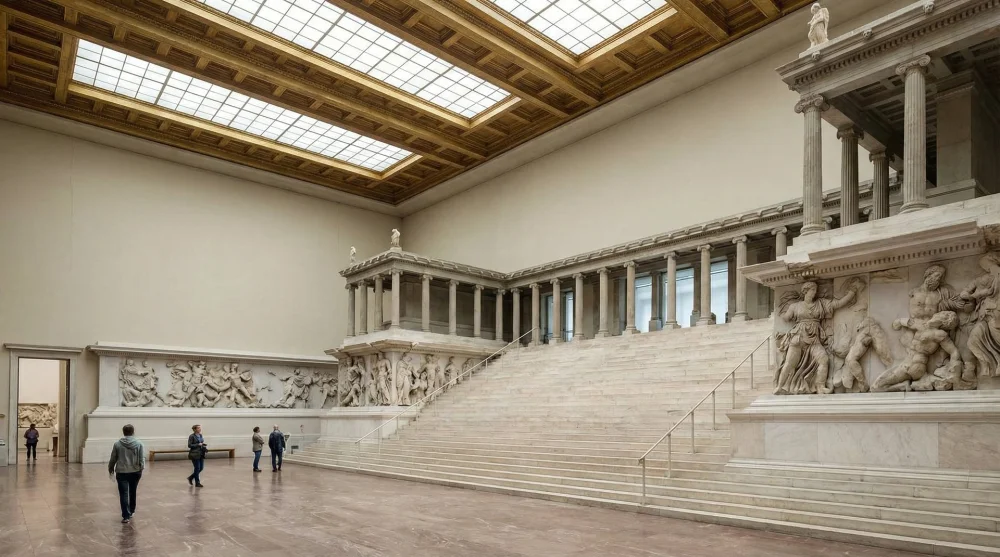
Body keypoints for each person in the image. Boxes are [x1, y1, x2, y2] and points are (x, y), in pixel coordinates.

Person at [108, 424, 145, 524]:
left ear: (123, 432)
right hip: (135, 471)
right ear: (133, 432)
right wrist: (141, 468)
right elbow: (142, 459)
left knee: (123, 494)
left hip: (122, 472)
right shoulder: (139, 443)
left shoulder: (117, 444)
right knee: (133, 491)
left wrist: (110, 468)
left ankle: (126, 516)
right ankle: (132, 511)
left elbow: (113, 458)